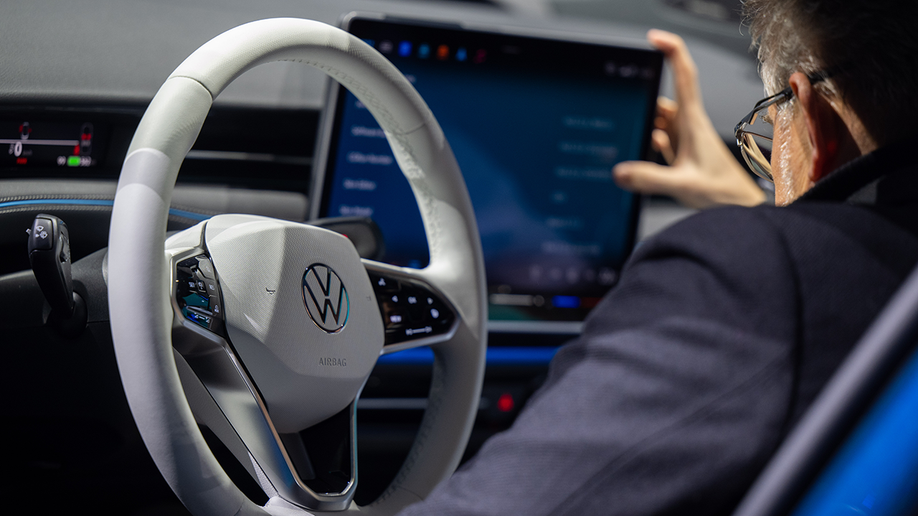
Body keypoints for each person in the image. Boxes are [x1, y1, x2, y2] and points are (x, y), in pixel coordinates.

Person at [396, 0, 918, 514]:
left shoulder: (758, 281)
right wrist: (750, 204)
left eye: (765, 136)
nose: (766, 178)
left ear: (814, 116)